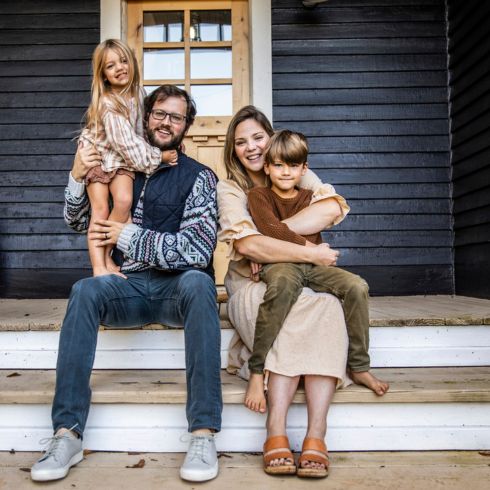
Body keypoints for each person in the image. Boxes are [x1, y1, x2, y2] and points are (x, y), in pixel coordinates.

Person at [30, 85, 222, 483]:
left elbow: (197, 251)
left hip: (176, 291)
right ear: (146, 117)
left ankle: (202, 433)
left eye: (177, 117)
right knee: (84, 290)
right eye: (160, 114)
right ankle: (66, 434)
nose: (167, 122)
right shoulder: (122, 167)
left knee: (200, 284)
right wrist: (75, 175)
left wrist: (127, 236)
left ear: (187, 126)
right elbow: (80, 222)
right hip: (127, 287)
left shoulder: (200, 177)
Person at [218, 106, 351, 478]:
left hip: (303, 276)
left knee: (327, 306)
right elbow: (246, 249)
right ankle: (275, 427)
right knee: (287, 312)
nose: (252, 147)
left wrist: (269, 237)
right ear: (233, 150)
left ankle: (316, 434)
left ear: (271, 137)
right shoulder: (230, 188)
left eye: (258, 137)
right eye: (241, 142)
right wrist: (304, 249)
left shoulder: (293, 165)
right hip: (251, 282)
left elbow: (330, 209)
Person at [245, 129, 385, 414]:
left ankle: (358, 365)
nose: (286, 172)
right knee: (281, 288)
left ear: (304, 168)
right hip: (280, 264)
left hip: (314, 266)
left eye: (293, 165)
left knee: (356, 286)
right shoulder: (258, 196)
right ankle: (257, 370)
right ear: (268, 167)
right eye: (279, 165)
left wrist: (274, 235)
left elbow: (273, 231)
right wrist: (298, 242)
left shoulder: (311, 197)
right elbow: (268, 229)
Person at [80, 39, 178, 277]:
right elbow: (127, 144)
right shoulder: (108, 104)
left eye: (123, 61)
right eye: (111, 66)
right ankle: (98, 267)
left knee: (123, 202)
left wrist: (166, 140)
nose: (120, 68)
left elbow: (141, 131)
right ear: (103, 75)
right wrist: (159, 156)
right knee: (100, 210)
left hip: (122, 160)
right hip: (99, 158)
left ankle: (106, 256)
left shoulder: (138, 94)